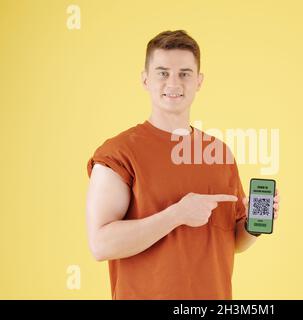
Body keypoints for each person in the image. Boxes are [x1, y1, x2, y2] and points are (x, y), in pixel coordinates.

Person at [86, 30, 280, 299]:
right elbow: (101, 244)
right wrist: (177, 215)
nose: (174, 83)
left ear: (199, 81)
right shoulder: (118, 153)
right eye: (163, 73)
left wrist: (252, 225)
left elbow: (233, 241)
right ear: (145, 79)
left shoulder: (219, 153)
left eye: (185, 73)